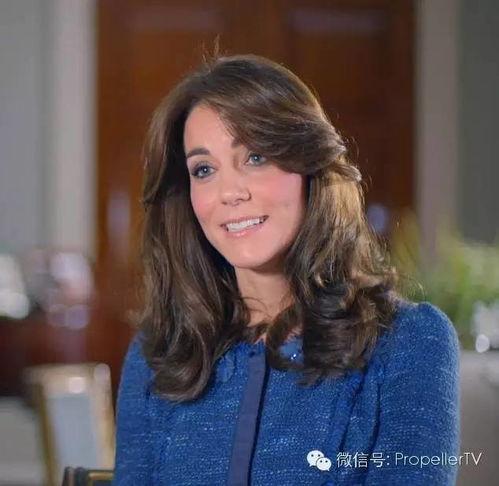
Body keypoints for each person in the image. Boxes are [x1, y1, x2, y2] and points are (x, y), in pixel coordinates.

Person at [113, 54, 460, 486]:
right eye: (204, 170)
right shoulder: (159, 354)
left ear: (309, 164)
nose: (229, 192)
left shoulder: (409, 343)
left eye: (255, 157)